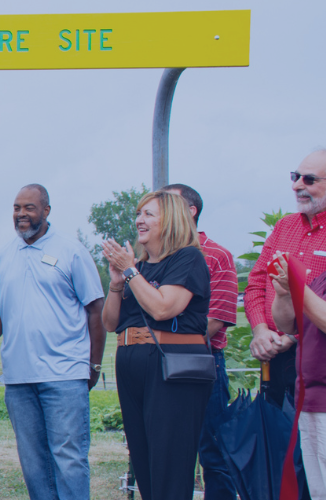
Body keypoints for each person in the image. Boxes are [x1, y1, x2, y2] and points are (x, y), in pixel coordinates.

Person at [0, 184, 105, 500]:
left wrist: (93, 364)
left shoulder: (72, 250)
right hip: (18, 379)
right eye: (16, 208)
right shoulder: (2, 256)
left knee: (68, 460)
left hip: (65, 374)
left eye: (28, 207)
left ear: (46, 211)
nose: (21, 215)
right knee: (33, 464)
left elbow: (96, 310)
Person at [100, 191, 212, 500]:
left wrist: (131, 271)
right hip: (132, 361)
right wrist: (117, 281)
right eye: (139, 214)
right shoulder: (140, 268)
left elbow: (163, 309)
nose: (139, 220)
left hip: (170, 366)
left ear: (172, 220)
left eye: (149, 214)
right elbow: (110, 323)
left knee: (169, 461)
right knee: (143, 457)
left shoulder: (188, 258)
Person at [161, 183, 239, 499]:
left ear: (190, 211)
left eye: (168, 205)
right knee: (166, 449)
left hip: (201, 364)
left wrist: (161, 336)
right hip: (159, 363)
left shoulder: (217, 256)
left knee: (213, 449)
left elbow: (214, 320)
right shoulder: (155, 255)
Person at [249, 151, 326, 398]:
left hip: (318, 357)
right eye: (295, 176)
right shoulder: (285, 226)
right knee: (278, 434)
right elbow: (256, 284)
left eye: (309, 180)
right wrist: (260, 331)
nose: (296, 186)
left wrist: (293, 335)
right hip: (275, 355)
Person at [272, 253, 326, 497]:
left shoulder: (309, 285)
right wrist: (283, 293)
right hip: (310, 400)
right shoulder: (320, 280)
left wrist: (297, 285)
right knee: (318, 489)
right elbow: (288, 326)